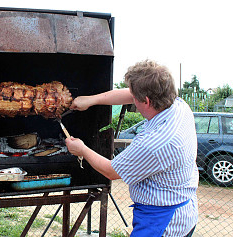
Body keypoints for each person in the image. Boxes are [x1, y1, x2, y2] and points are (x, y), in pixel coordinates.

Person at [65, 60, 198, 237]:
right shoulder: (178, 106)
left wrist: (82, 149)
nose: (131, 98)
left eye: (134, 97)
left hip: (163, 224)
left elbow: (111, 171)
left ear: (147, 101)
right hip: (183, 209)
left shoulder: (155, 143)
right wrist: (92, 100)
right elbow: (130, 94)